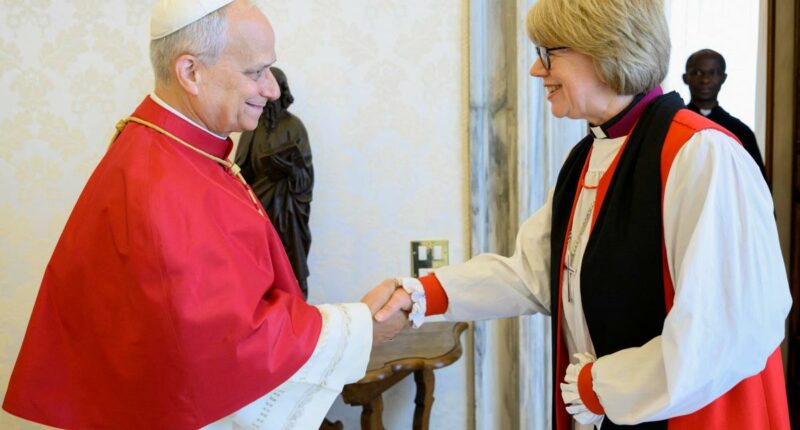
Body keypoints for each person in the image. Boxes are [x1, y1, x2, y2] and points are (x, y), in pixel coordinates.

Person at [375, 0, 792, 429]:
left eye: (547, 54)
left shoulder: (702, 153)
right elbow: (534, 272)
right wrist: (419, 295)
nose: (538, 71)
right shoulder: (589, 153)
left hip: (691, 415)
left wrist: (601, 386)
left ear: (604, 50)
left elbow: (732, 325)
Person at [2, 1, 406, 429]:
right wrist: (361, 327)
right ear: (190, 72)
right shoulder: (160, 182)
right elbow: (229, 346)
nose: (271, 90)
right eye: (255, 72)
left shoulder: (175, 149)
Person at [235, 67, 314, 298]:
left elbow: (306, 178)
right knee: (258, 265)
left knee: (291, 264)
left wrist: (289, 169)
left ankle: (297, 311)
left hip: (289, 212)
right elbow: (239, 172)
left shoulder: (294, 127)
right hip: (259, 208)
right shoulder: (251, 128)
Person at [683, 49, 767, 180]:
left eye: (713, 73)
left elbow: (756, 184)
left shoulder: (741, 132)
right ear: (685, 78)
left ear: (723, 78)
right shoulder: (674, 125)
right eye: (697, 73)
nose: (705, 80)